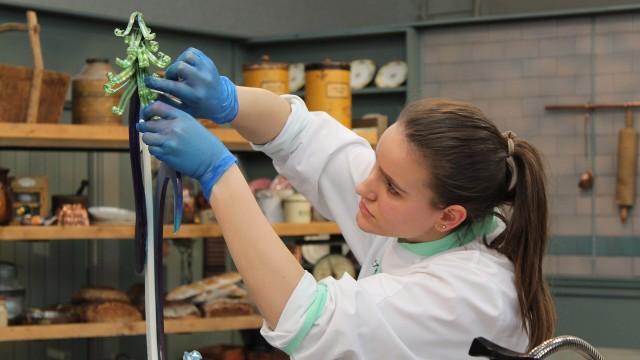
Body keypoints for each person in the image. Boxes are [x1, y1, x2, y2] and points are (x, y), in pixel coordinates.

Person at [137, 47, 556, 359]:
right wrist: (229, 99)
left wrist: (219, 174)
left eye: (390, 186)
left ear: (449, 216)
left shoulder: (466, 293)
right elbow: (302, 136)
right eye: (376, 162)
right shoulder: (423, 218)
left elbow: (308, 321)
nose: (364, 186)